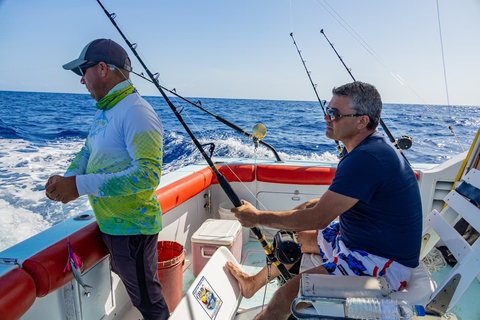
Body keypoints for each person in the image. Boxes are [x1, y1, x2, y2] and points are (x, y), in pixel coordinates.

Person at [226, 81, 422, 320]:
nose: (327, 118)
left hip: (380, 263)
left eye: (335, 114)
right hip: (358, 240)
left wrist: (256, 217)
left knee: (284, 297)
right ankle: (252, 284)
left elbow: (319, 218)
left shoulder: (367, 158)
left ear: (362, 121)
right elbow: (337, 201)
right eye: (327, 110)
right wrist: (308, 207)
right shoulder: (363, 150)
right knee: (298, 240)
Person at [45, 39, 169, 320]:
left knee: (150, 305)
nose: (81, 80)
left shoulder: (136, 112)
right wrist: (66, 180)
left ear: (102, 69)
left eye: (83, 71)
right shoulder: (107, 111)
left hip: (133, 231)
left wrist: (79, 186)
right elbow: (88, 152)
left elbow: (147, 176)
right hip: (113, 226)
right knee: (140, 294)